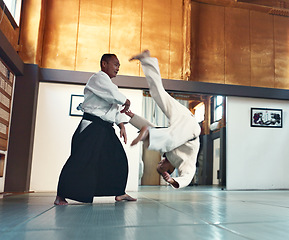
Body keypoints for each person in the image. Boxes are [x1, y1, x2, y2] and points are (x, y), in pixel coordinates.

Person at [54, 54, 137, 205]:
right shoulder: (97, 78)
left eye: (119, 66)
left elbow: (113, 107)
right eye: (115, 64)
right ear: (104, 64)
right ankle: (60, 195)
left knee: (118, 159)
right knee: (80, 160)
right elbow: (114, 97)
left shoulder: (110, 85)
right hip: (92, 125)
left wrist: (121, 125)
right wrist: (127, 100)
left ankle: (119, 193)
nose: (118, 68)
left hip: (105, 127)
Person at [127, 50, 201, 189]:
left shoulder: (164, 150)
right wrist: (173, 181)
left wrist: (133, 117)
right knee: (169, 140)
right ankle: (147, 134)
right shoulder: (184, 163)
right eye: (162, 167)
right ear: (170, 170)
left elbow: (155, 129)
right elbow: (188, 177)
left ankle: (147, 60)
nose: (160, 163)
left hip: (182, 118)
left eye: (158, 166)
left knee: (158, 94)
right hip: (191, 130)